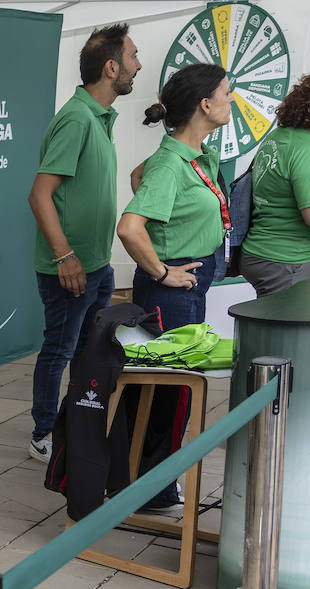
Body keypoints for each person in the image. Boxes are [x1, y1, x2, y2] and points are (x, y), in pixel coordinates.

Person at [117, 62, 232, 510]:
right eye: (226, 92)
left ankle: (145, 484)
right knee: (170, 393)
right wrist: (162, 270)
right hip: (171, 290)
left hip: (189, 285)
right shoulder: (170, 163)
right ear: (205, 105)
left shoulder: (191, 155)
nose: (232, 99)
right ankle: (152, 491)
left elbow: (137, 177)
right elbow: (129, 228)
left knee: (171, 390)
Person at [26, 23, 141, 464]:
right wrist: (65, 255)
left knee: (87, 352)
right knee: (59, 350)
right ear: (111, 67)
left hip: (96, 265)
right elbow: (39, 195)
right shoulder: (77, 119)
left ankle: (73, 422)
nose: (138, 65)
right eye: (132, 56)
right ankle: (42, 433)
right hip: (70, 268)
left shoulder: (100, 118)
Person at [242, 73, 310, 296]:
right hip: (287, 261)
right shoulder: (305, 148)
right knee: (289, 320)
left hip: (262, 252)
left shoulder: (279, 137)